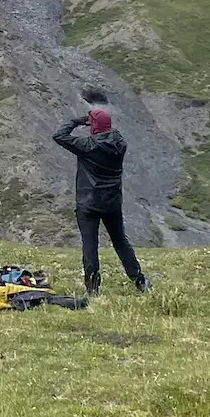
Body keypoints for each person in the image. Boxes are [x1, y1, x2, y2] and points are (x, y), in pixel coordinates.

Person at [53, 103, 148, 295]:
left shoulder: (87, 146)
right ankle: (139, 280)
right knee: (120, 241)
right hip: (112, 203)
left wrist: (76, 121)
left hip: (88, 203)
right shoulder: (120, 143)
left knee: (90, 245)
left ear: (93, 125)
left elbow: (59, 136)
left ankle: (93, 290)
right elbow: (111, 131)